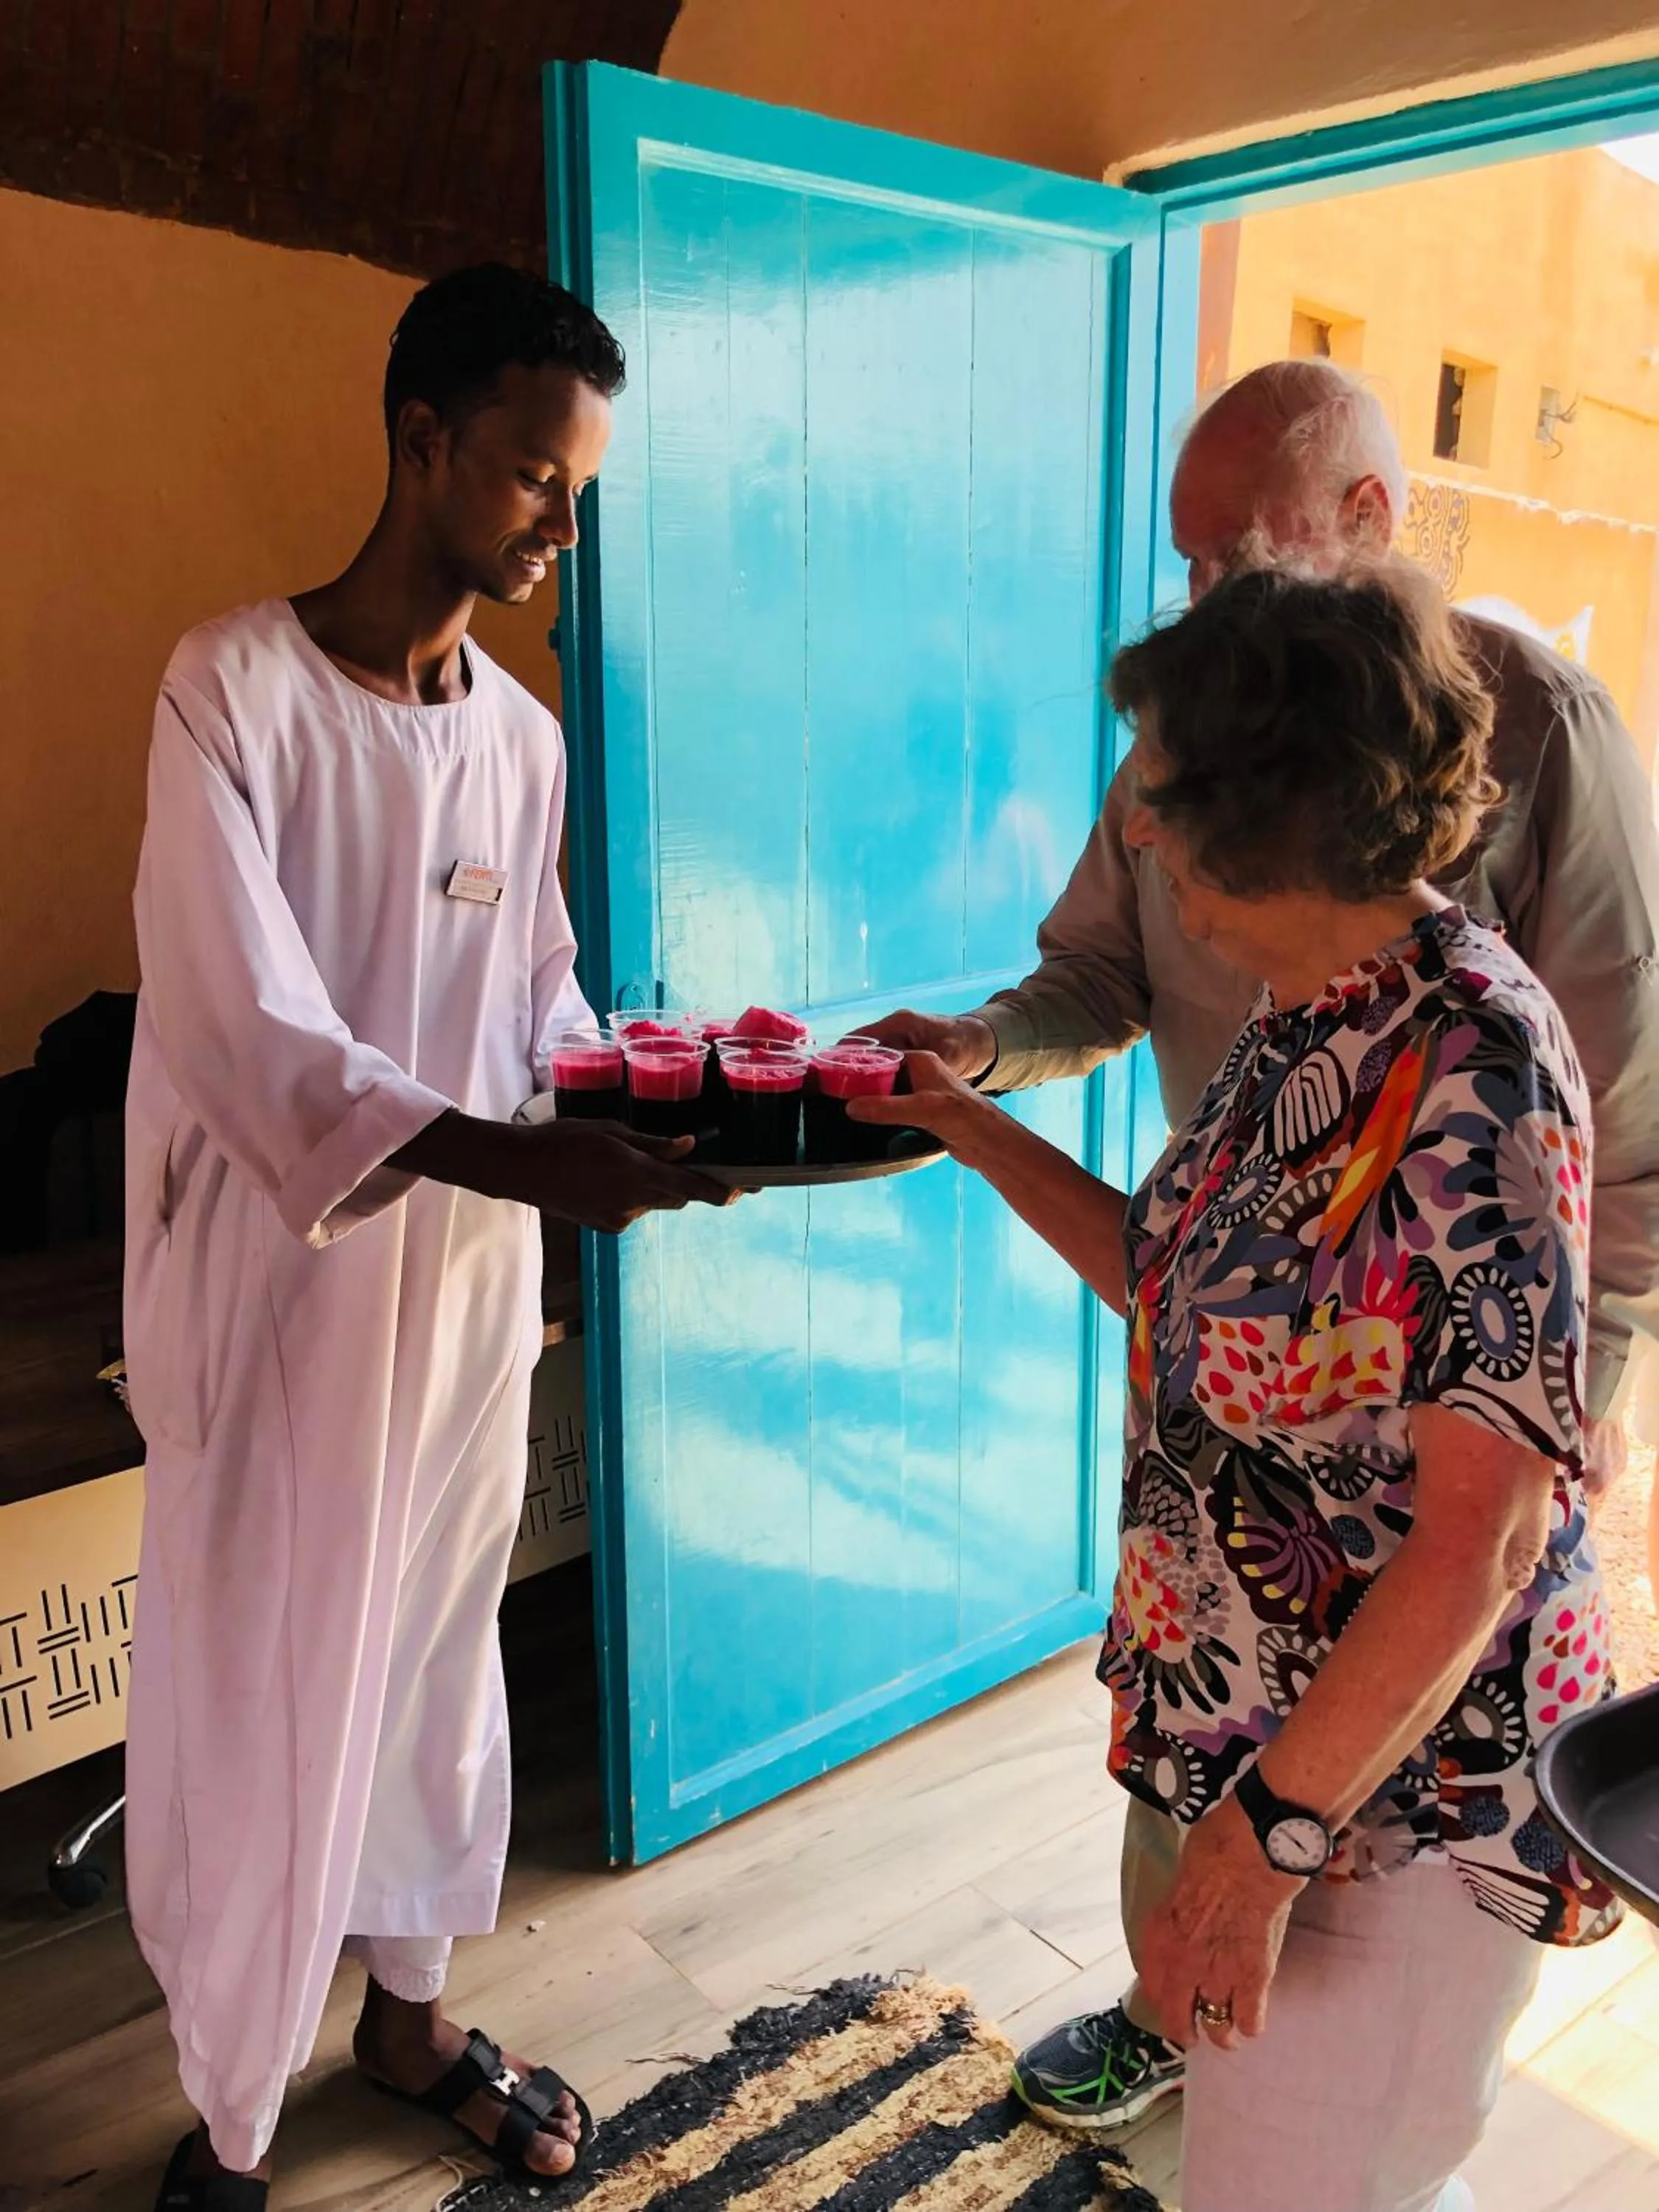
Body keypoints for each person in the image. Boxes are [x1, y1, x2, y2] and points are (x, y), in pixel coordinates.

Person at [866, 355, 1659, 2134]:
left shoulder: (1470, 1045)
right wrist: (971, 1103)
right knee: (1266, 2109)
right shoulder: (1307, 1015)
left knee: (1331, 2147)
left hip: (1395, 1699)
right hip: (1259, 1606)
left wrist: (1561, 1405)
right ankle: (1196, 1994)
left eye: (1186, 843)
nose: (1157, 870)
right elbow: (1169, 1246)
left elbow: (1478, 1525)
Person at [125, 265, 731, 2209]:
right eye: (542, 477)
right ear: (424, 440)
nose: (566, 524)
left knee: (432, 1666)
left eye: (582, 492)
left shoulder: (521, 743)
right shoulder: (230, 691)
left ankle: (407, 2012)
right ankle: (231, 2119)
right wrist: (523, 1158)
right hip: (278, 1304)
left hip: (463, 1302)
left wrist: (645, 1100)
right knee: (265, 1695)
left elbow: (534, 1004)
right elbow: (252, 1035)